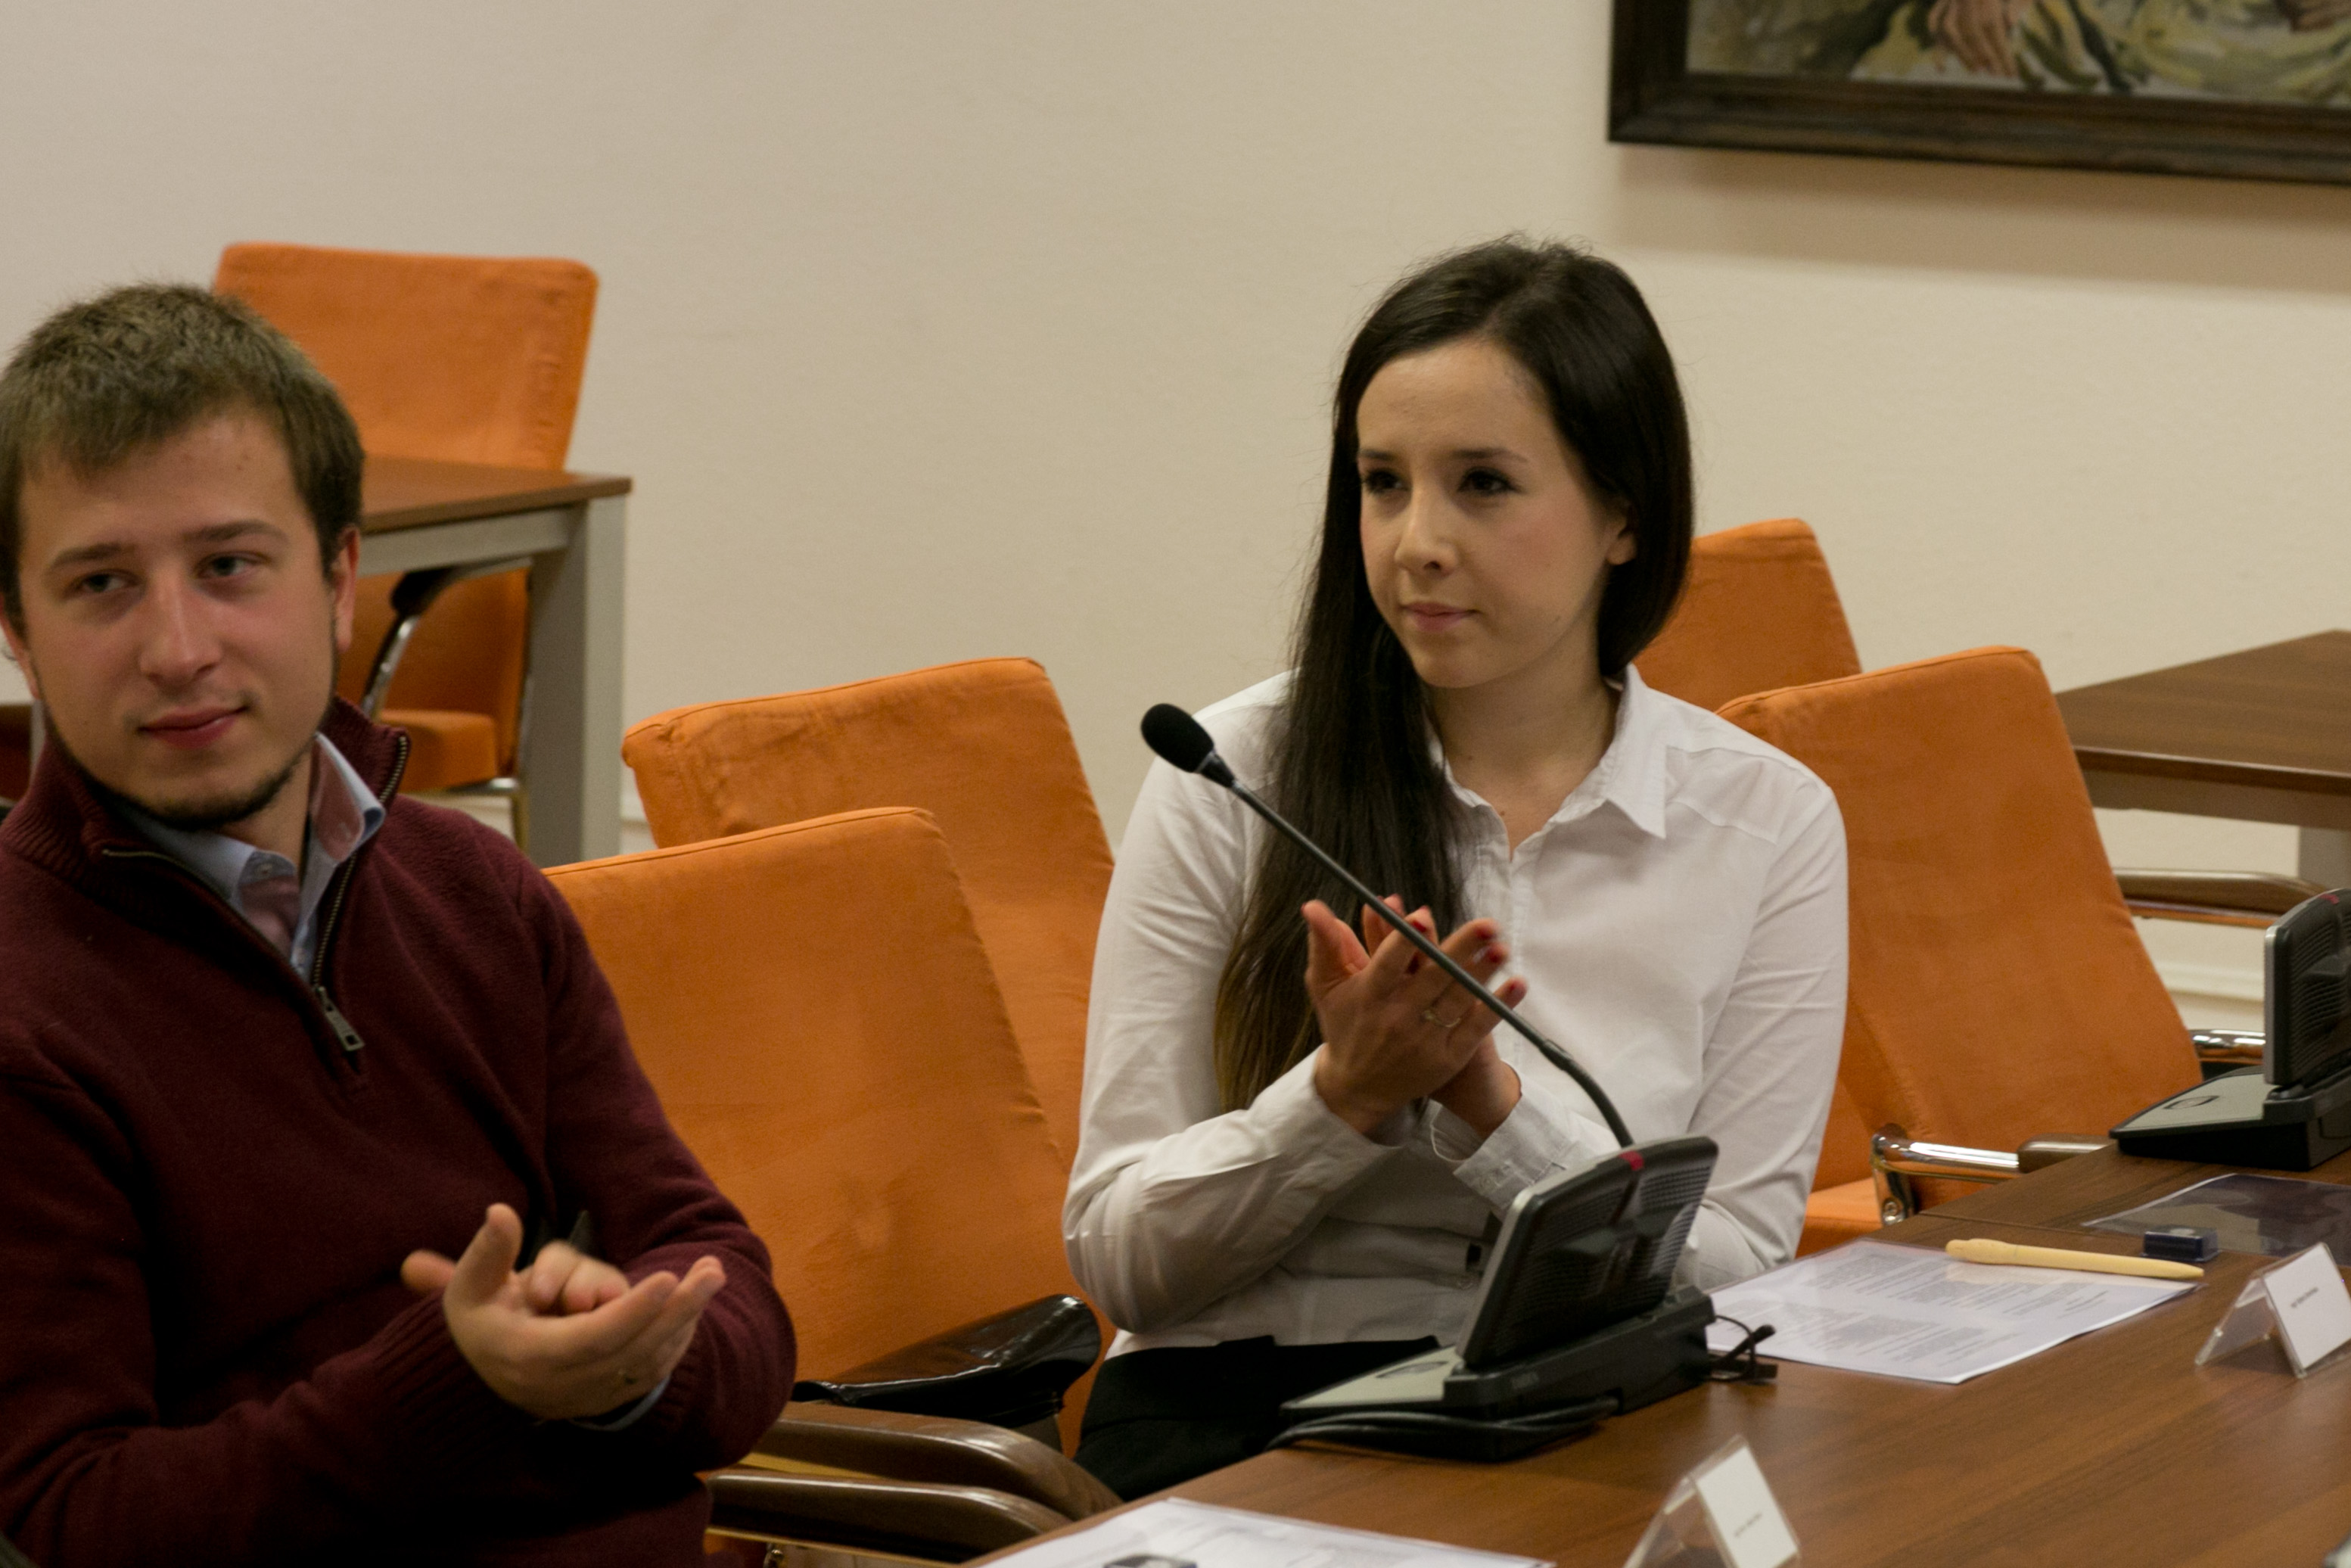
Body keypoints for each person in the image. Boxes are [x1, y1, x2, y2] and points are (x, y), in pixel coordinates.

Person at [0, 285, 793, 1563]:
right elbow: (78, 1516)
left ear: (339, 581)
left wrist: (638, 1354)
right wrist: (456, 1386)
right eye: (102, 584)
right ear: (19, 634)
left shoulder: (476, 889)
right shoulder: (23, 1013)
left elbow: (710, 1260)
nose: (178, 648)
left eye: (229, 566)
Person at [1063, 239, 1848, 1496]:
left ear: (1626, 516)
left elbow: (1740, 1271)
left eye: (1483, 484)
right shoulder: (1231, 773)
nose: (1417, 541)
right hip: (1248, 1418)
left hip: (1588, 1405)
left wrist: (1494, 1115)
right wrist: (1340, 1098)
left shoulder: (1764, 819)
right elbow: (1120, 1263)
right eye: (1383, 484)